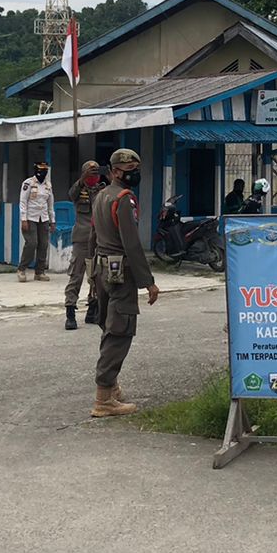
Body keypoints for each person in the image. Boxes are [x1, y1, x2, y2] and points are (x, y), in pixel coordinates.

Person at [90, 148, 159, 418]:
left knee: (109, 328)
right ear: (116, 171)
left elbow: (92, 237)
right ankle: (104, 398)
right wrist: (148, 282)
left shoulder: (101, 195)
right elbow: (131, 244)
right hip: (120, 271)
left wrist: (90, 273)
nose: (135, 175)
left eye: (136, 170)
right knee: (120, 331)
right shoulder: (123, 198)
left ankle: (112, 387)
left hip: (101, 268)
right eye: (130, 171)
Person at [65, 159, 104, 331]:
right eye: (90, 171)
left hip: (99, 238)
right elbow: (71, 194)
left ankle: (93, 308)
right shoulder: (78, 189)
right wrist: (82, 180)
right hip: (82, 238)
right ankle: (70, 312)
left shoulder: (103, 190)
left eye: (96, 171)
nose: (93, 174)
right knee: (76, 275)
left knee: (96, 276)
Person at [17, 160, 55, 282]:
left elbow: (50, 204)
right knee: (32, 243)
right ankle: (22, 269)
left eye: (44, 171)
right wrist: (23, 219)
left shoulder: (48, 185)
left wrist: (52, 220)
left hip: (43, 218)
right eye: (40, 171)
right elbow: (23, 202)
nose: (42, 173)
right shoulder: (28, 183)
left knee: (43, 244)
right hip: (30, 218)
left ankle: (40, 272)